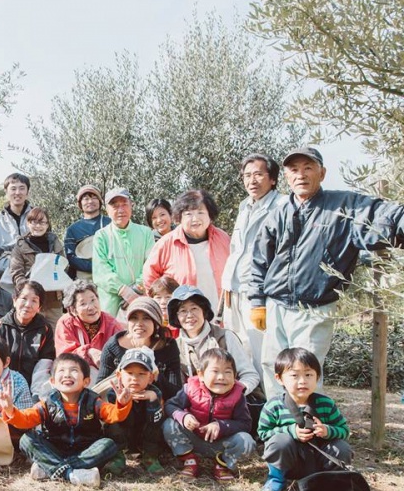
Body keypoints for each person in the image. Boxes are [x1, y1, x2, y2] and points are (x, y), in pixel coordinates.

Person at [249, 147, 404, 397]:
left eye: (308, 168)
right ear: (287, 176)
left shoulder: (343, 207)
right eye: (294, 170)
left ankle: (306, 430)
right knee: (273, 367)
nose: (301, 175)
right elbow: (259, 261)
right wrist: (257, 301)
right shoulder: (279, 213)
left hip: (314, 309)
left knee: (304, 372)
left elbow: (387, 214)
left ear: (322, 173)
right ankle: (277, 429)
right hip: (276, 304)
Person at [0, 353, 133, 488]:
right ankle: (72, 475)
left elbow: (114, 415)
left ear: (86, 381)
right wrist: (10, 410)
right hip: (55, 449)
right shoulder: (47, 403)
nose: (67, 375)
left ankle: (50, 469)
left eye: (74, 370)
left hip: (85, 453)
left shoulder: (93, 401)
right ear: (53, 381)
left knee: (108, 444)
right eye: (61, 371)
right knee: (26, 440)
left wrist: (121, 404)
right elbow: (25, 420)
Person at [221, 154, 285, 381]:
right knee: (238, 350)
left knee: (263, 352)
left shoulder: (282, 206)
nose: (252, 181)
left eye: (258, 174)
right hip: (233, 291)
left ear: (273, 179)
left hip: (258, 293)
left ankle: (270, 405)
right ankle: (247, 403)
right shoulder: (244, 206)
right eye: (247, 176)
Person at [258, 347, 351, 491]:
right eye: (294, 375)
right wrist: (291, 431)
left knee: (341, 447)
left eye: (308, 375)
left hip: (319, 460)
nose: (302, 381)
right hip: (290, 462)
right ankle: (276, 479)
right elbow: (263, 434)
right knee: (279, 442)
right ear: (279, 378)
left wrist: (328, 431)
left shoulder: (326, 404)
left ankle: (332, 481)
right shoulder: (273, 405)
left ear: (317, 377)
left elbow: (344, 431)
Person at [162, 347, 256, 481]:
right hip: (193, 438)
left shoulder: (238, 395)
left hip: (221, 445)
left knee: (246, 441)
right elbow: (170, 406)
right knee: (169, 424)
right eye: (215, 371)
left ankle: (222, 464)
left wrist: (221, 426)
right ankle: (189, 459)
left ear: (235, 376)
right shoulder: (190, 389)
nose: (221, 377)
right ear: (201, 375)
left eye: (227, 372)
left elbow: (245, 424)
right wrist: (184, 417)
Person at [143, 189, 231, 311]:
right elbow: (149, 278)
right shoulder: (166, 243)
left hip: (220, 316)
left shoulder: (223, 239)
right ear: (179, 217)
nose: (195, 219)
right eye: (188, 214)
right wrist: (162, 307)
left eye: (200, 212)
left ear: (210, 215)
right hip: (181, 320)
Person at [167, 285, 260, 394]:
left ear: (204, 311)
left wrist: (235, 394)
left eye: (194, 308)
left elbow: (250, 375)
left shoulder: (225, 336)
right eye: (183, 311)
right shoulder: (175, 347)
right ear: (176, 317)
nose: (189, 315)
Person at [97, 297, 182, 402]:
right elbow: (100, 388)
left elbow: (176, 393)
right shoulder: (113, 346)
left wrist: (155, 385)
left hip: (156, 408)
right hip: (120, 407)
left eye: (146, 318)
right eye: (134, 318)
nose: (139, 323)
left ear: (156, 323)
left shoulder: (168, 346)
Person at [92, 187, 154, 318]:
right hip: (111, 303)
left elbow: (151, 265)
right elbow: (100, 271)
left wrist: (137, 289)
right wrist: (123, 290)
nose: (120, 210)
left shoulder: (146, 233)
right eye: (115, 206)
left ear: (132, 206)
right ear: (107, 211)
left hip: (140, 297)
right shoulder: (101, 236)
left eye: (124, 204)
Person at [105, 348, 166, 475]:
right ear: (119, 376)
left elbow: (156, 422)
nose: (135, 379)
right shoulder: (114, 392)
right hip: (124, 434)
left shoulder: (155, 392)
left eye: (141, 374)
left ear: (151, 378)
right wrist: (123, 402)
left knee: (156, 426)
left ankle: (150, 457)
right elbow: (113, 417)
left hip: (144, 436)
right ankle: (118, 456)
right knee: (114, 423)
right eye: (129, 373)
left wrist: (152, 400)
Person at [0, 281, 56, 397]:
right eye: (24, 298)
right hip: (4, 387)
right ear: (15, 300)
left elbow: (44, 365)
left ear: (39, 307)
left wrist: (36, 395)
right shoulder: (1, 326)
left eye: (34, 301)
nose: (28, 304)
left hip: (34, 388)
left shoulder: (45, 329)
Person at [10, 207, 65, 326]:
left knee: (54, 336)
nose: (38, 226)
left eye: (42, 222)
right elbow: (16, 273)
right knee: (31, 335)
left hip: (53, 300)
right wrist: (28, 290)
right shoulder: (20, 245)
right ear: (28, 223)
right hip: (30, 300)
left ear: (47, 224)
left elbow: (64, 267)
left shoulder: (56, 243)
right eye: (34, 222)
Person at [55, 280, 122, 376]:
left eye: (93, 300)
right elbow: (64, 357)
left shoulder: (111, 324)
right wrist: (89, 352)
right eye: (83, 304)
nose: (91, 307)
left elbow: (122, 353)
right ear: (73, 310)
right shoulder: (65, 323)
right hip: (74, 374)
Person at [0, 173, 33, 293]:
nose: (17, 192)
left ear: (27, 192)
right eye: (13, 188)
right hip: (4, 273)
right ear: (6, 192)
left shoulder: (37, 217)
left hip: (32, 271)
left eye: (22, 188)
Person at [64, 185, 110, 279]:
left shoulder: (110, 223)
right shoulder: (73, 229)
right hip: (84, 279)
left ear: (100, 202)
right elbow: (71, 257)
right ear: (80, 204)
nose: (90, 201)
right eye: (86, 199)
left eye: (94, 198)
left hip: (109, 274)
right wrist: (95, 267)